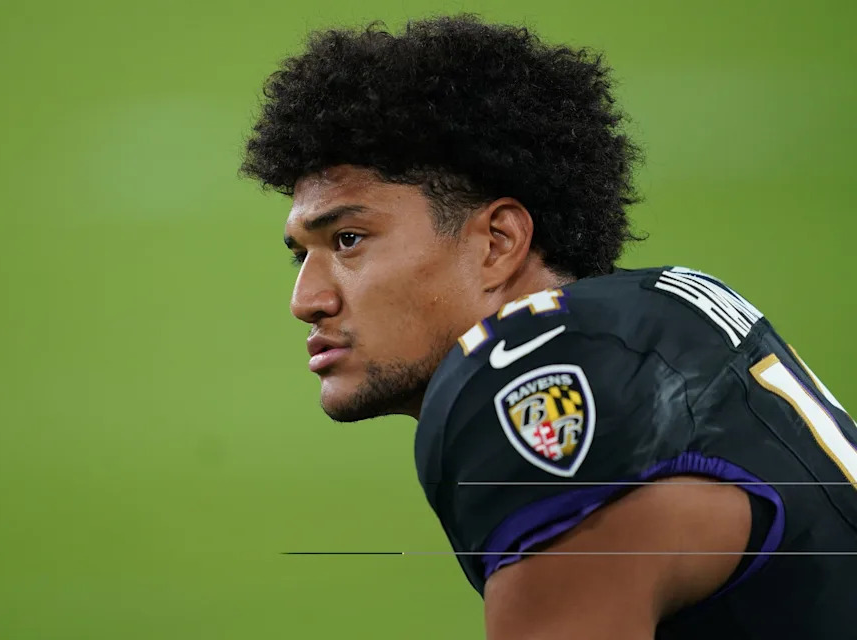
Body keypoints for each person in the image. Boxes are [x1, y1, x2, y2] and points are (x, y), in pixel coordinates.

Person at [240, 15, 857, 639]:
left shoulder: (531, 371)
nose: (306, 300)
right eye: (301, 254)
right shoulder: (653, 316)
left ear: (497, 242)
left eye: (348, 240)